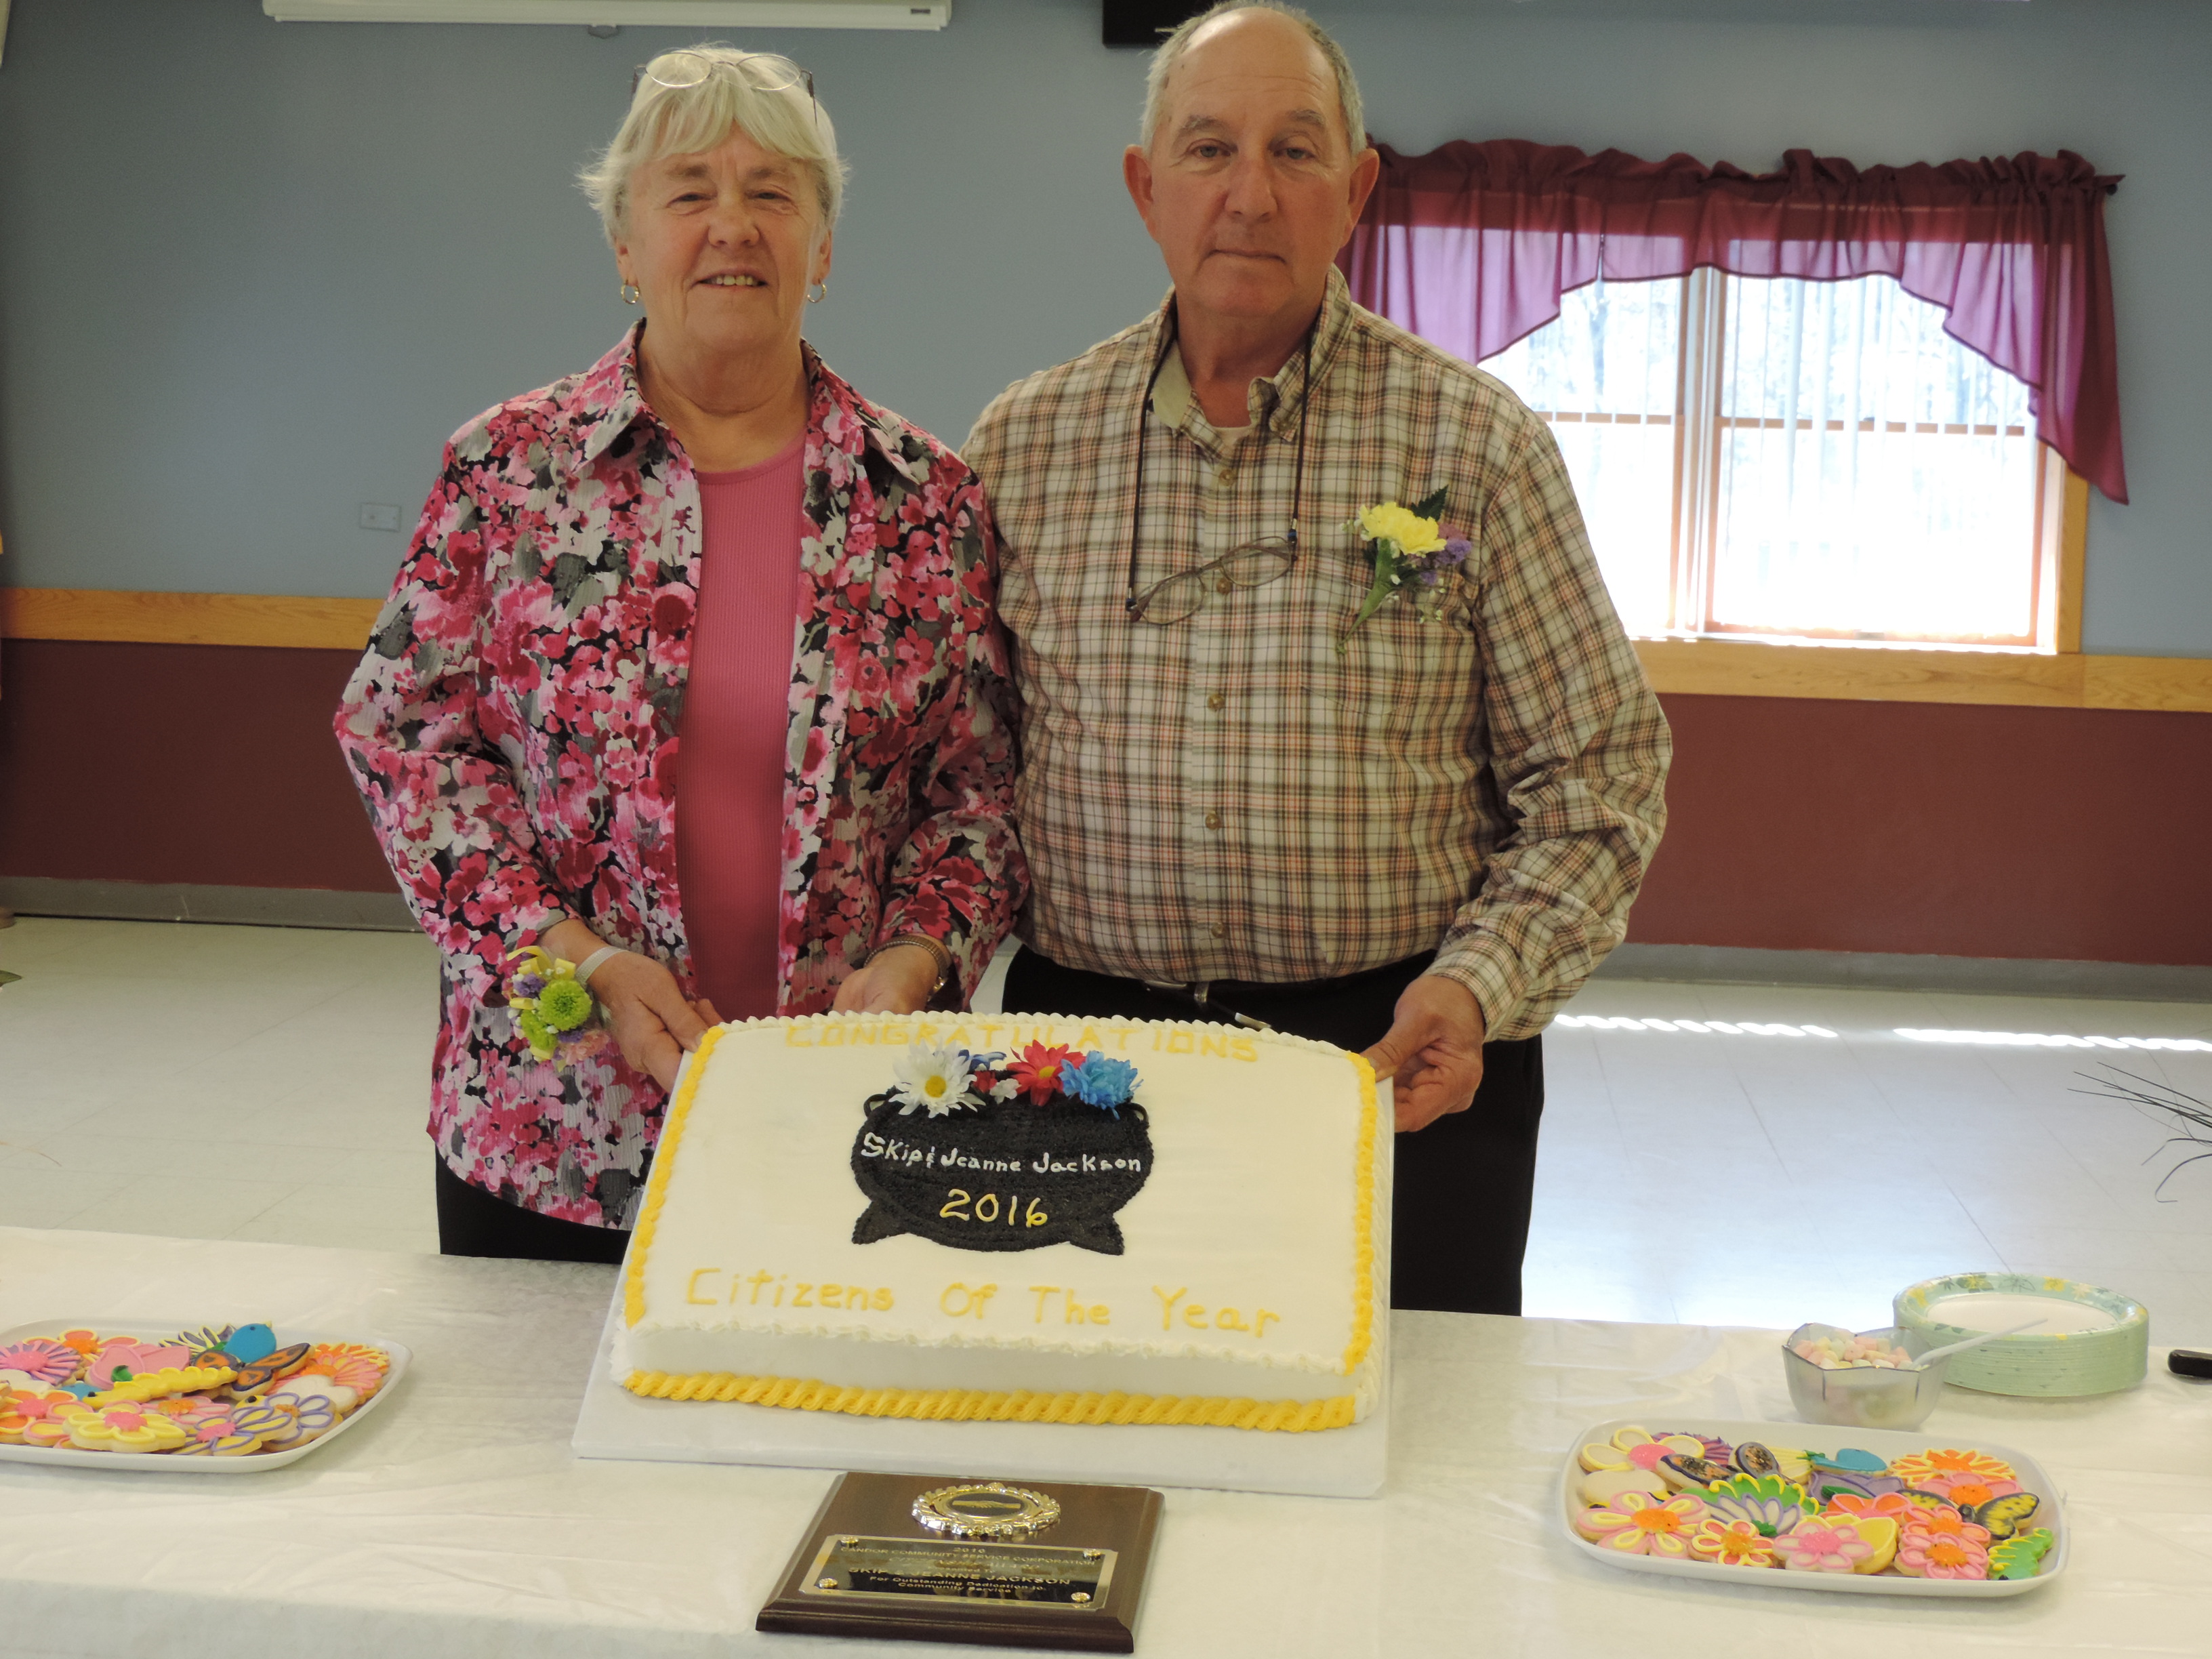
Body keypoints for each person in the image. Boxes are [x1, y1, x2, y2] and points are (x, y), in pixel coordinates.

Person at [963, 2, 1668, 1316]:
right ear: (1145, 188)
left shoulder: (1476, 445)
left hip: (1402, 1060)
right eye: (1208, 148)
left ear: (1354, 192)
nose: (1249, 192)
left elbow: (1600, 772)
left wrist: (1483, 981)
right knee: (1087, 1414)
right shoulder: (1024, 445)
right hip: (1086, 1063)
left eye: (1295, 152)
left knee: (1406, 1458)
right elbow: (960, 773)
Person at [336, 46, 1024, 1265]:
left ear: (823, 245)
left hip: (839, 1116)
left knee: (804, 1441)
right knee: (541, 1452)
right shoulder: (510, 472)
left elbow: (974, 792)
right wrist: (580, 958)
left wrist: (924, 951)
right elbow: (407, 743)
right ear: (623, 241)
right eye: (689, 189)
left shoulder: (924, 498)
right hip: (555, 1118)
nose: (732, 226)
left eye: (774, 192)